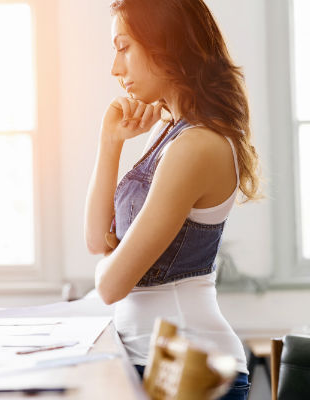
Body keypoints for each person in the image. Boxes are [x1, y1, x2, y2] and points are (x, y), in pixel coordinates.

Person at [84, 0, 261, 398]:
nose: (115, 68)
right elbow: (97, 240)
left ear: (166, 44)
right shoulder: (168, 133)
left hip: (189, 371)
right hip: (149, 360)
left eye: (124, 46)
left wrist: (104, 269)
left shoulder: (197, 145)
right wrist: (109, 141)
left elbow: (110, 286)